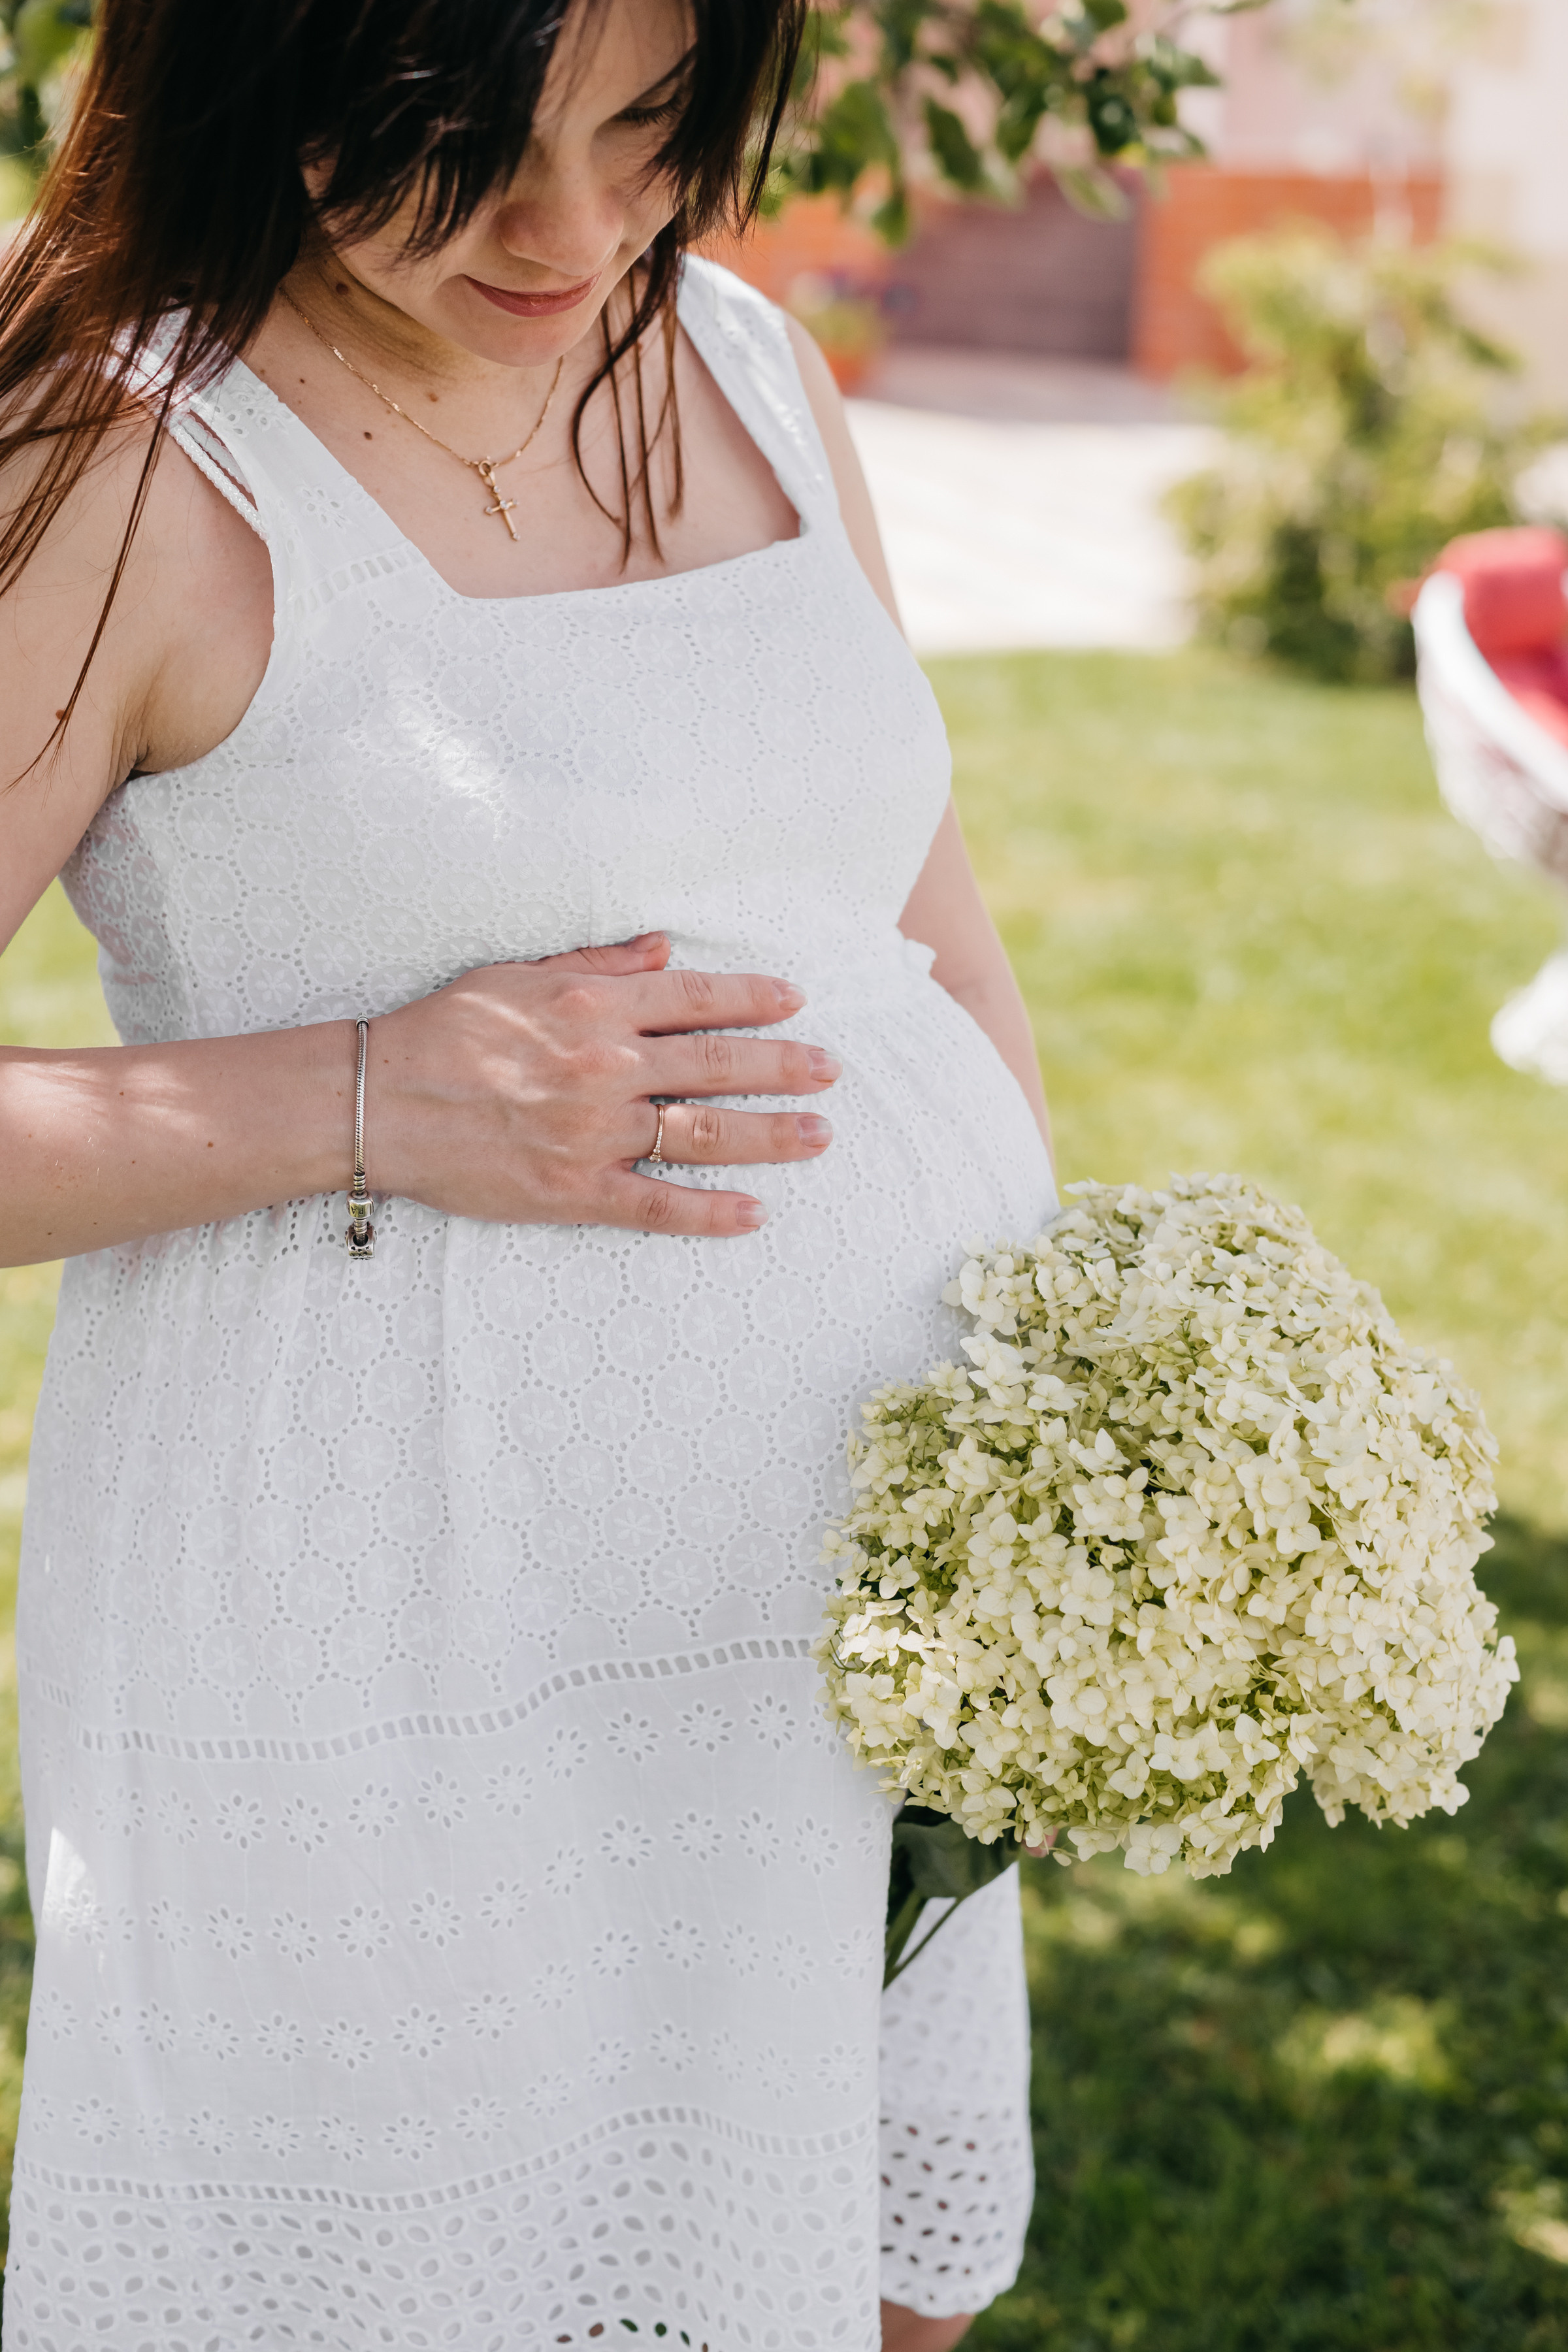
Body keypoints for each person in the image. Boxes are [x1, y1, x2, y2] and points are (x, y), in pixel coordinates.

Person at [0, 0, 1057, 2342]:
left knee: (836, 2278)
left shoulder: (752, 364)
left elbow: (928, 940)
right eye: (457, 145)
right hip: (394, 1653)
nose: (575, 229)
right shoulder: (123, 463)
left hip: (851, 1633)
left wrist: (1079, 1436)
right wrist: (375, 1090)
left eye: (652, 129)